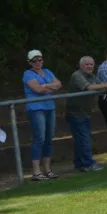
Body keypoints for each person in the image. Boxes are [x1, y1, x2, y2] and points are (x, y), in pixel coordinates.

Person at [66, 56, 107, 172]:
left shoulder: (93, 76)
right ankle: (88, 164)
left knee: (82, 139)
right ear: (81, 66)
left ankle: (80, 164)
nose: (89, 66)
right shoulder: (77, 75)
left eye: (91, 64)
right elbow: (89, 87)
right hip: (75, 113)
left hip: (86, 112)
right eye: (86, 64)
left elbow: (101, 87)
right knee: (84, 139)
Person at [22, 49, 62, 181]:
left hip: (49, 107)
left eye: (39, 59)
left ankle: (47, 169)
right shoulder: (27, 74)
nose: (37, 62)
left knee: (49, 138)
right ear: (29, 62)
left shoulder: (48, 71)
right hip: (36, 108)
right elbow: (38, 89)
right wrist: (49, 87)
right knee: (40, 138)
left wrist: (45, 86)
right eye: (34, 60)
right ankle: (36, 171)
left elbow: (59, 84)